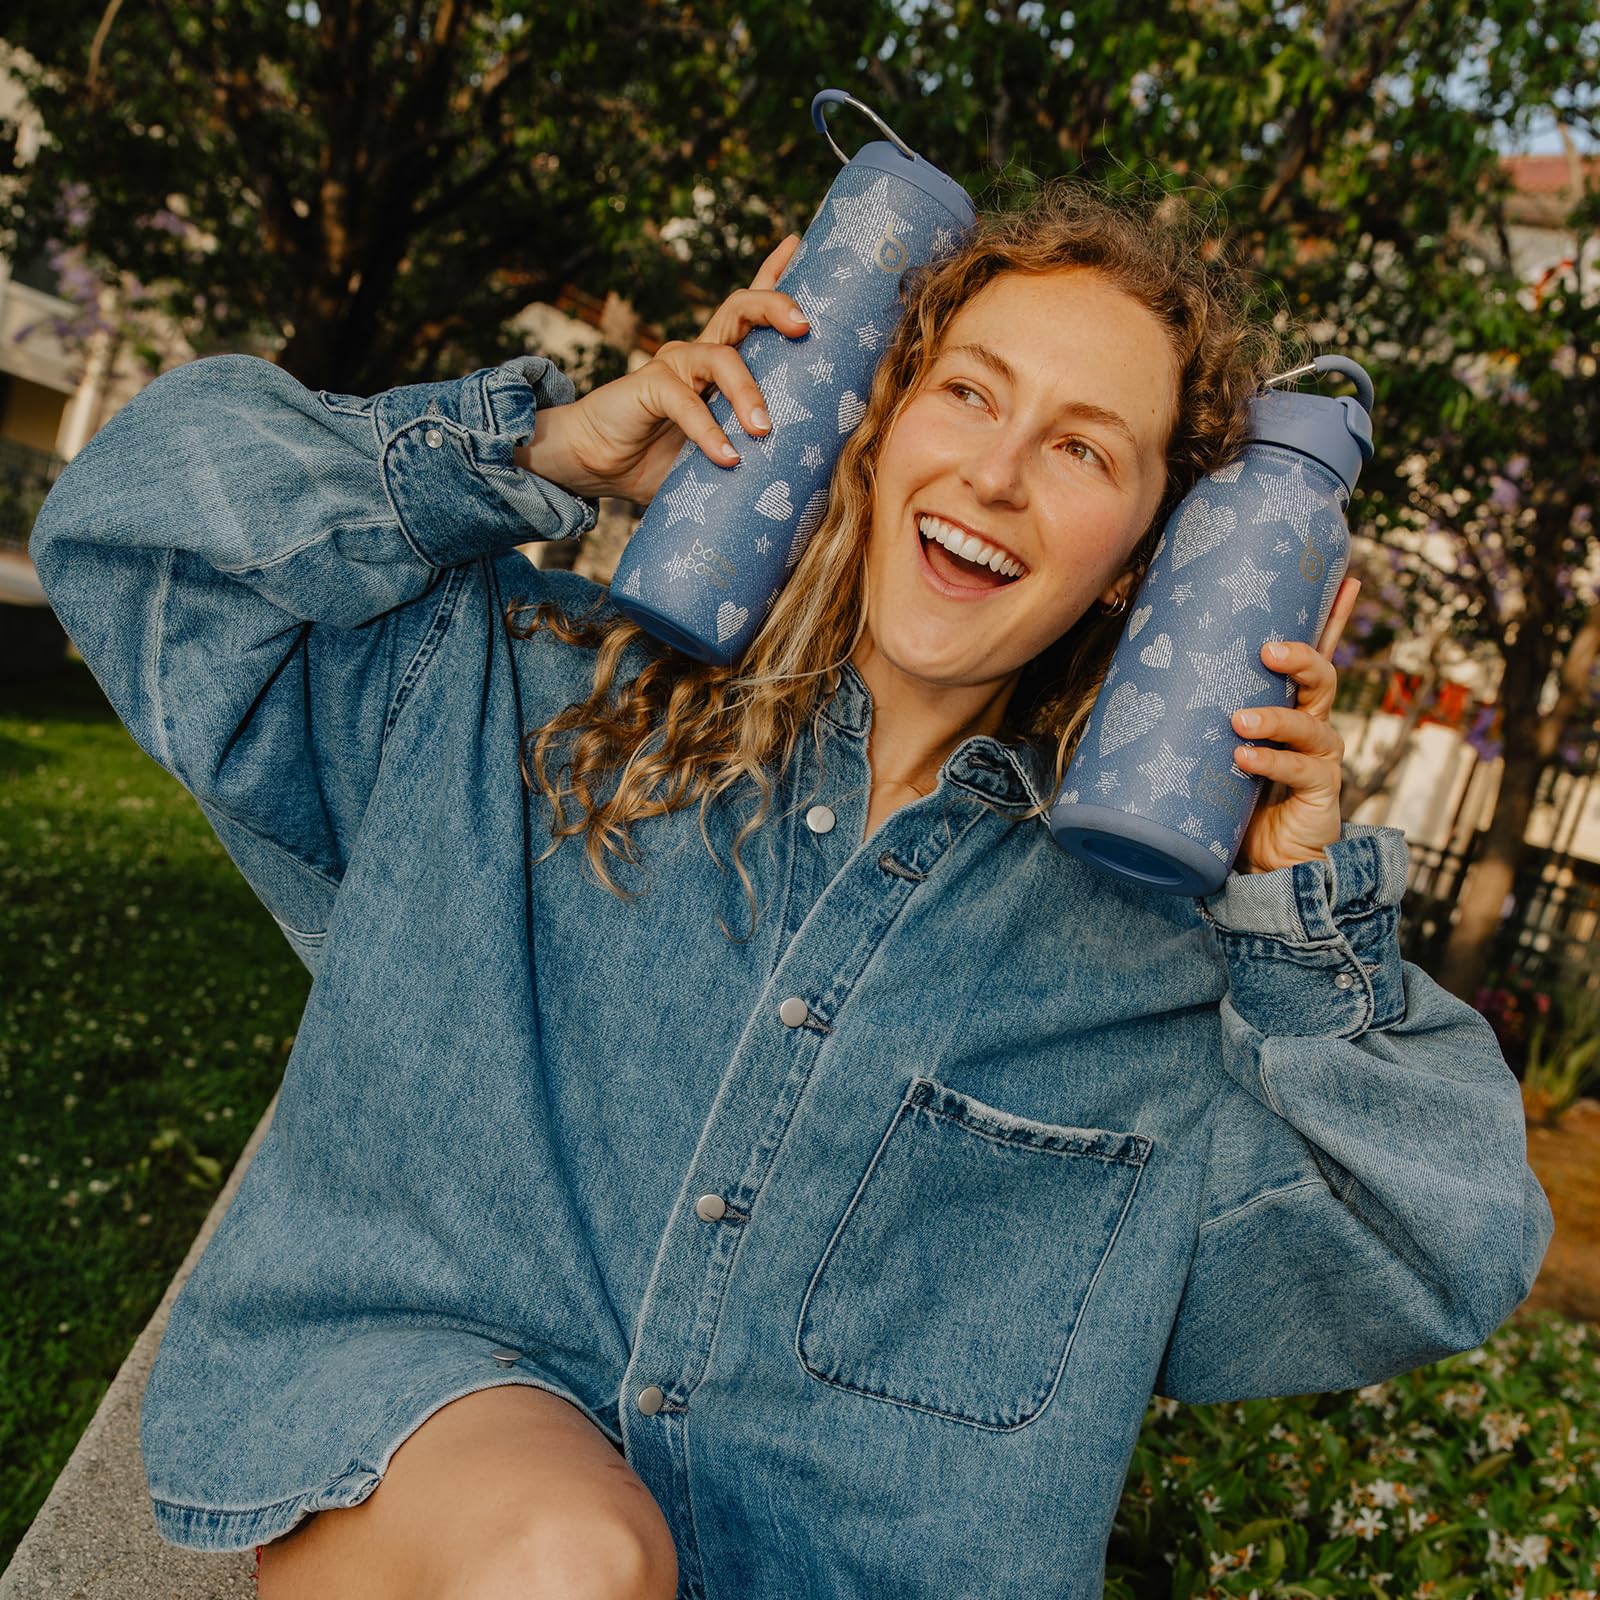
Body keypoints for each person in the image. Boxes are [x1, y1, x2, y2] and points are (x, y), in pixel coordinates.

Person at [30, 179, 1552, 1600]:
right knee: (571, 1558)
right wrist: (539, 454)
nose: (998, 474)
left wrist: (1294, 916)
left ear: (1138, 569)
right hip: (451, 1474)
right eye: (970, 393)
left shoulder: (1154, 972)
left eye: (1085, 450)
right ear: (876, 431)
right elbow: (134, 528)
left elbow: (1443, 1243)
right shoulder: (529, 695)